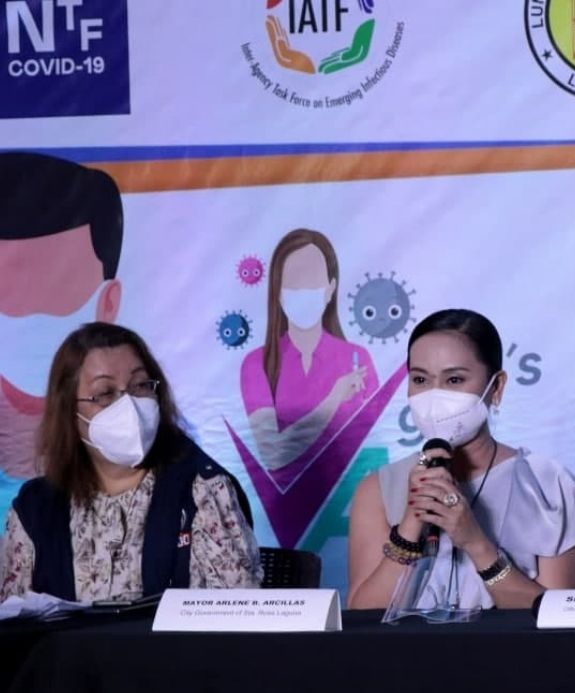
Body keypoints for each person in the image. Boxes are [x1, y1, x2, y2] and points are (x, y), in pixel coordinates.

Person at [347, 309, 575, 611]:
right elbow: (363, 617)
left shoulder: (549, 485)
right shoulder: (378, 489)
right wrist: (411, 524)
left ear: (496, 387)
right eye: (420, 379)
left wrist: (476, 543)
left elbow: (559, 619)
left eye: (454, 379)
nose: (435, 396)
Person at [0, 323, 261, 602]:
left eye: (140, 386)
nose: (129, 405)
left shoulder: (202, 491)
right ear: (69, 412)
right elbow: (13, 626)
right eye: (104, 393)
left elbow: (235, 621)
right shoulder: (36, 509)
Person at [0, 151, 124, 479]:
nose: (21, 308)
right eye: (6, 286)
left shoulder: (133, 406)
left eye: (53, 282)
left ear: (108, 303)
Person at [240, 228, 379, 487]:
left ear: (330, 288)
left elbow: (373, 445)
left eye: (312, 279)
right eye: (293, 281)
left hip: (350, 504)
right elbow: (274, 454)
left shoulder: (358, 359)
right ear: (278, 290)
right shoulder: (256, 364)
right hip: (282, 515)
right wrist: (335, 398)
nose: (303, 290)